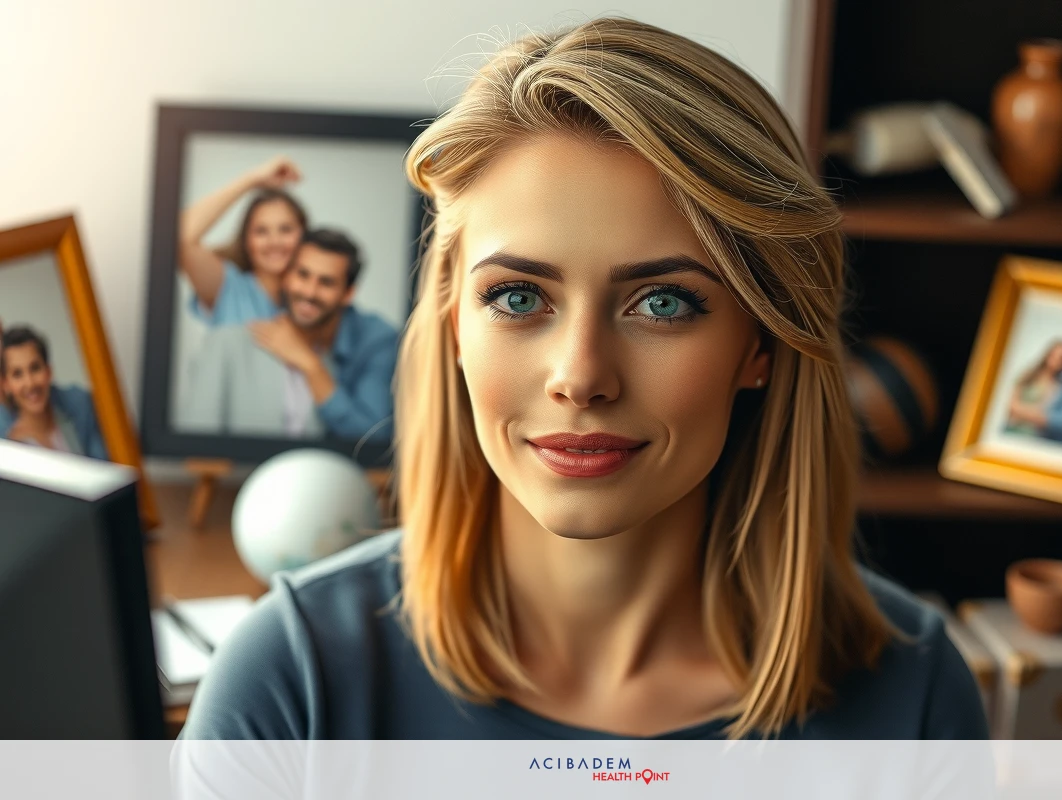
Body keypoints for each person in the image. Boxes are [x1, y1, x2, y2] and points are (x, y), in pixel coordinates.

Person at [179, 18, 987, 741]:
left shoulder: (916, 699)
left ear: (761, 343)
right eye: (519, 297)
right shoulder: (285, 688)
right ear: (456, 322)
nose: (581, 376)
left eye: (663, 302)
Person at [176, 229, 398, 441]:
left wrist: (310, 365)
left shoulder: (375, 340)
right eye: (302, 275)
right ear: (286, 277)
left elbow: (373, 438)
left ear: (348, 294)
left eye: (326, 282)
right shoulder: (229, 341)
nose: (309, 292)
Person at [178, 156, 308, 325]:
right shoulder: (228, 288)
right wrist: (251, 181)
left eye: (285, 229)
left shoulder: (314, 300)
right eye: (261, 231)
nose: (274, 241)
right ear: (246, 240)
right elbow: (179, 236)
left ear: (304, 235)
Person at [0, 322, 107, 459]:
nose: (30, 383)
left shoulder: (80, 409)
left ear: (49, 371)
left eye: (35, 368)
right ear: (6, 384)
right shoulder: (6, 445)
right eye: (17, 374)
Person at [1007, 336, 1062, 446]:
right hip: (1015, 431)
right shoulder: (1034, 375)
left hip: (1050, 443)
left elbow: (1061, 422)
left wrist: (1019, 410)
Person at [1003, 340, 1062, 436]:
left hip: (1032, 435)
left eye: (1060, 358)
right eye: (1053, 355)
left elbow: (1043, 417)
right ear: (1048, 354)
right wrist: (1030, 413)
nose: (1055, 360)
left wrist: (1021, 411)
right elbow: (1010, 405)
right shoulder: (1028, 374)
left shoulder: (1060, 387)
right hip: (1009, 428)